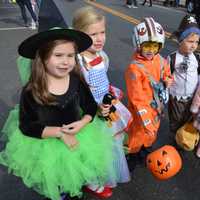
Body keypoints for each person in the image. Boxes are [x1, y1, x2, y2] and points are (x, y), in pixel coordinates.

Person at [0, 28, 117, 200]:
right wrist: (59, 133)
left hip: (79, 137)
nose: (65, 62)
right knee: (55, 179)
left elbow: (90, 105)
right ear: (43, 58)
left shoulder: (76, 81)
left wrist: (84, 121)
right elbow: (27, 126)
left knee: (78, 170)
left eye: (70, 56)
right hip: (47, 146)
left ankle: (80, 186)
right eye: (58, 55)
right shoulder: (32, 90)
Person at [72, 6, 131, 184]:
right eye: (93, 34)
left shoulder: (102, 56)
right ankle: (91, 181)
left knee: (109, 146)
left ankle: (101, 176)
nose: (100, 39)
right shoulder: (78, 62)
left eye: (102, 32)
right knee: (92, 149)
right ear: (79, 36)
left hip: (106, 107)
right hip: (90, 113)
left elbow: (103, 79)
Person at [125, 17, 173, 163]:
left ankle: (145, 152)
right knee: (137, 135)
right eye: (147, 46)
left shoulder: (159, 59)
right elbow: (137, 99)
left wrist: (168, 79)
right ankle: (131, 158)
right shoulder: (134, 69)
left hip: (156, 109)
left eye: (155, 46)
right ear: (138, 44)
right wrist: (146, 121)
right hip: (141, 113)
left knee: (151, 134)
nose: (151, 50)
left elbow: (166, 70)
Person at [168, 15, 200, 140]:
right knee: (176, 119)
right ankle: (175, 138)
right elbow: (167, 76)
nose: (194, 45)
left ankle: (183, 138)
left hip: (191, 97)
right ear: (181, 40)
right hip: (177, 96)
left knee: (187, 119)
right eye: (190, 41)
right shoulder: (173, 58)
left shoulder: (196, 58)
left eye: (197, 42)